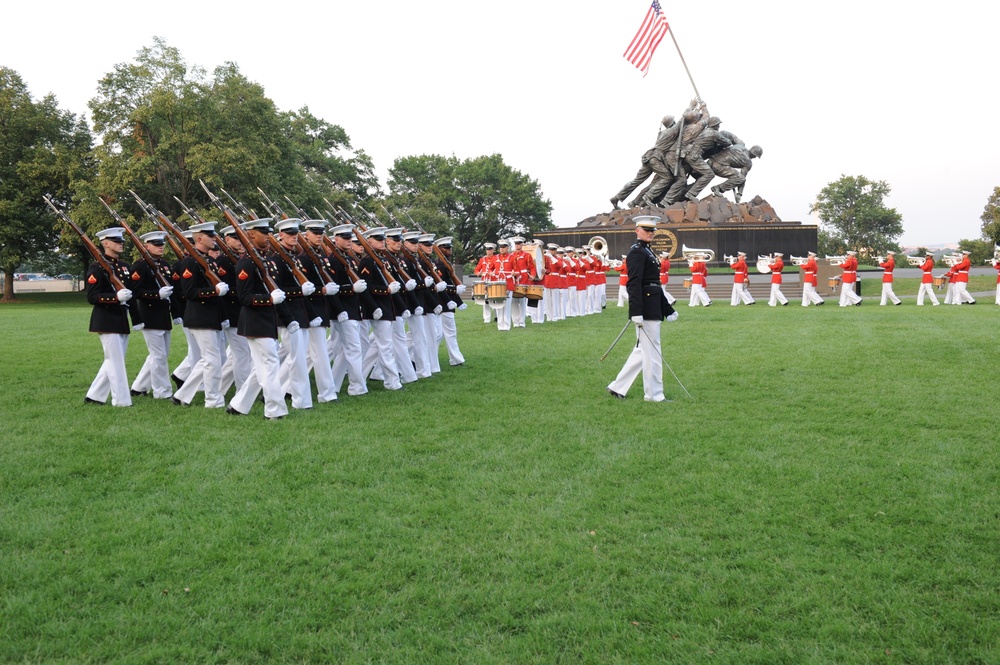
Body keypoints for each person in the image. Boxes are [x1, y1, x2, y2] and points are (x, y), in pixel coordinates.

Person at [607, 217, 678, 402]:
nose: (650, 233)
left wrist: (667, 309)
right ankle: (654, 395)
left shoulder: (647, 251)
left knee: (642, 351)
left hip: (652, 305)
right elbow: (634, 284)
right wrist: (636, 312)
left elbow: (655, 284)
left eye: (652, 230)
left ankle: (617, 387)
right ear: (636, 230)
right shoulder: (637, 252)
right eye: (646, 230)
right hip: (645, 308)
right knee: (652, 352)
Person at [226, 218, 289, 420]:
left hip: (267, 321)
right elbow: (244, 298)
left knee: (262, 366)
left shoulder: (267, 260)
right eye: (264, 233)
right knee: (270, 365)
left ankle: (238, 405)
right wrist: (268, 299)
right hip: (255, 322)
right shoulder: (245, 262)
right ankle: (274, 409)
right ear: (251, 235)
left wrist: (287, 318)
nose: (269, 237)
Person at [172, 221, 228, 408]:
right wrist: (215, 291)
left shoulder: (210, 260)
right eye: (210, 236)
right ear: (198, 238)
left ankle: (182, 395)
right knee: (212, 360)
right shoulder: (189, 262)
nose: (214, 238)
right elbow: (188, 292)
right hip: (199, 317)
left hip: (212, 316)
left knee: (210, 359)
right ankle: (213, 400)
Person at [84, 227, 137, 407]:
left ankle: (95, 395)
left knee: (114, 359)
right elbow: (92, 296)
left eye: (121, 241)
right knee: (116, 362)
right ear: (105, 243)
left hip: (121, 318)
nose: (121, 244)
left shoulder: (123, 267)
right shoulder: (96, 267)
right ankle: (121, 401)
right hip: (106, 319)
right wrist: (114, 298)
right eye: (116, 241)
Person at [128, 231, 175, 399]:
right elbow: (136, 291)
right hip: (149, 315)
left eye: (161, 244)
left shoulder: (164, 264)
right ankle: (162, 392)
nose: (160, 247)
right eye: (156, 244)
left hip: (163, 315)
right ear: (146, 246)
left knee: (160, 355)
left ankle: (139, 387)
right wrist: (157, 295)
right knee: (159, 356)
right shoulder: (139, 266)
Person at [433, 237, 466, 365]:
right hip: (444, 301)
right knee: (449, 332)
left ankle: (427, 356)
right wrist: (455, 291)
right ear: (439, 249)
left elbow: (450, 283)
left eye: (450, 247)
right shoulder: (440, 265)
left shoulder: (445, 264)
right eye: (446, 248)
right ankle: (456, 359)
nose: (449, 250)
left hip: (448, 301)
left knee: (440, 334)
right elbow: (442, 286)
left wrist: (459, 300)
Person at [475, 243, 497, 323]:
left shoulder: (496, 258)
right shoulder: (482, 259)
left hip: (493, 280)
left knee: (495, 299)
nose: (488, 251)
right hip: (485, 280)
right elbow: (477, 269)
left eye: (490, 249)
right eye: (487, 249)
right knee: (485, 300)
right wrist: (478, 273)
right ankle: (487, 319)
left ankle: (496, 316)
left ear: (493, 250)